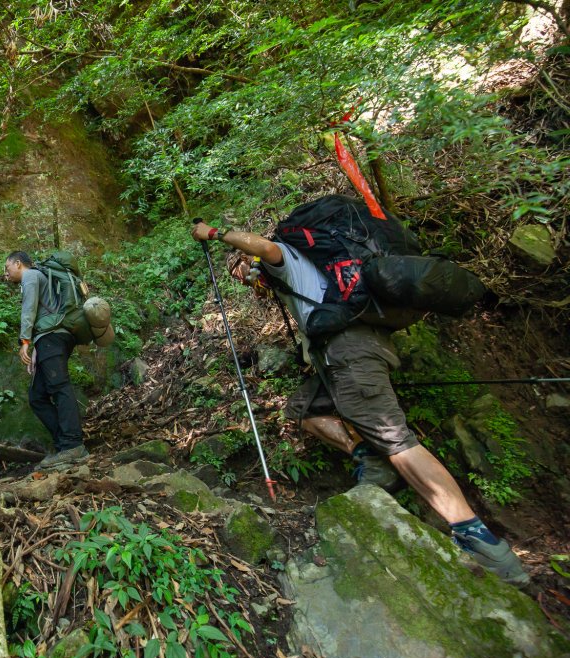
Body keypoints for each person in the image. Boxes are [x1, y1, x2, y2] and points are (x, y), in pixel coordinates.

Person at [190, 219, 530, 586]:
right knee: (305, 410)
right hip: (341, 354)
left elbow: (266, 247)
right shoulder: (297, 280)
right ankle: (368, 459)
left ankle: (481, 541)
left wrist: (215, 233)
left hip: (350, 351)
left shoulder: (283, 257)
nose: (239, 276)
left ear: (249, 260)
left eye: (238, 266)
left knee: (396, 441)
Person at [3, 251, 88, 469]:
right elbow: (46, 315)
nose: (6, 274)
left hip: (53, 337)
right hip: (52, 337)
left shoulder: (31, 276)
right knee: (37, 396)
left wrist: (24, 340)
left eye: (7, 268)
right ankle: (64, 445)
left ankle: (73, 446)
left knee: (59, 386)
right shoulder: (42, 277)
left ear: (18, 264)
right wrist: (37, 350)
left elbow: (29, 308)